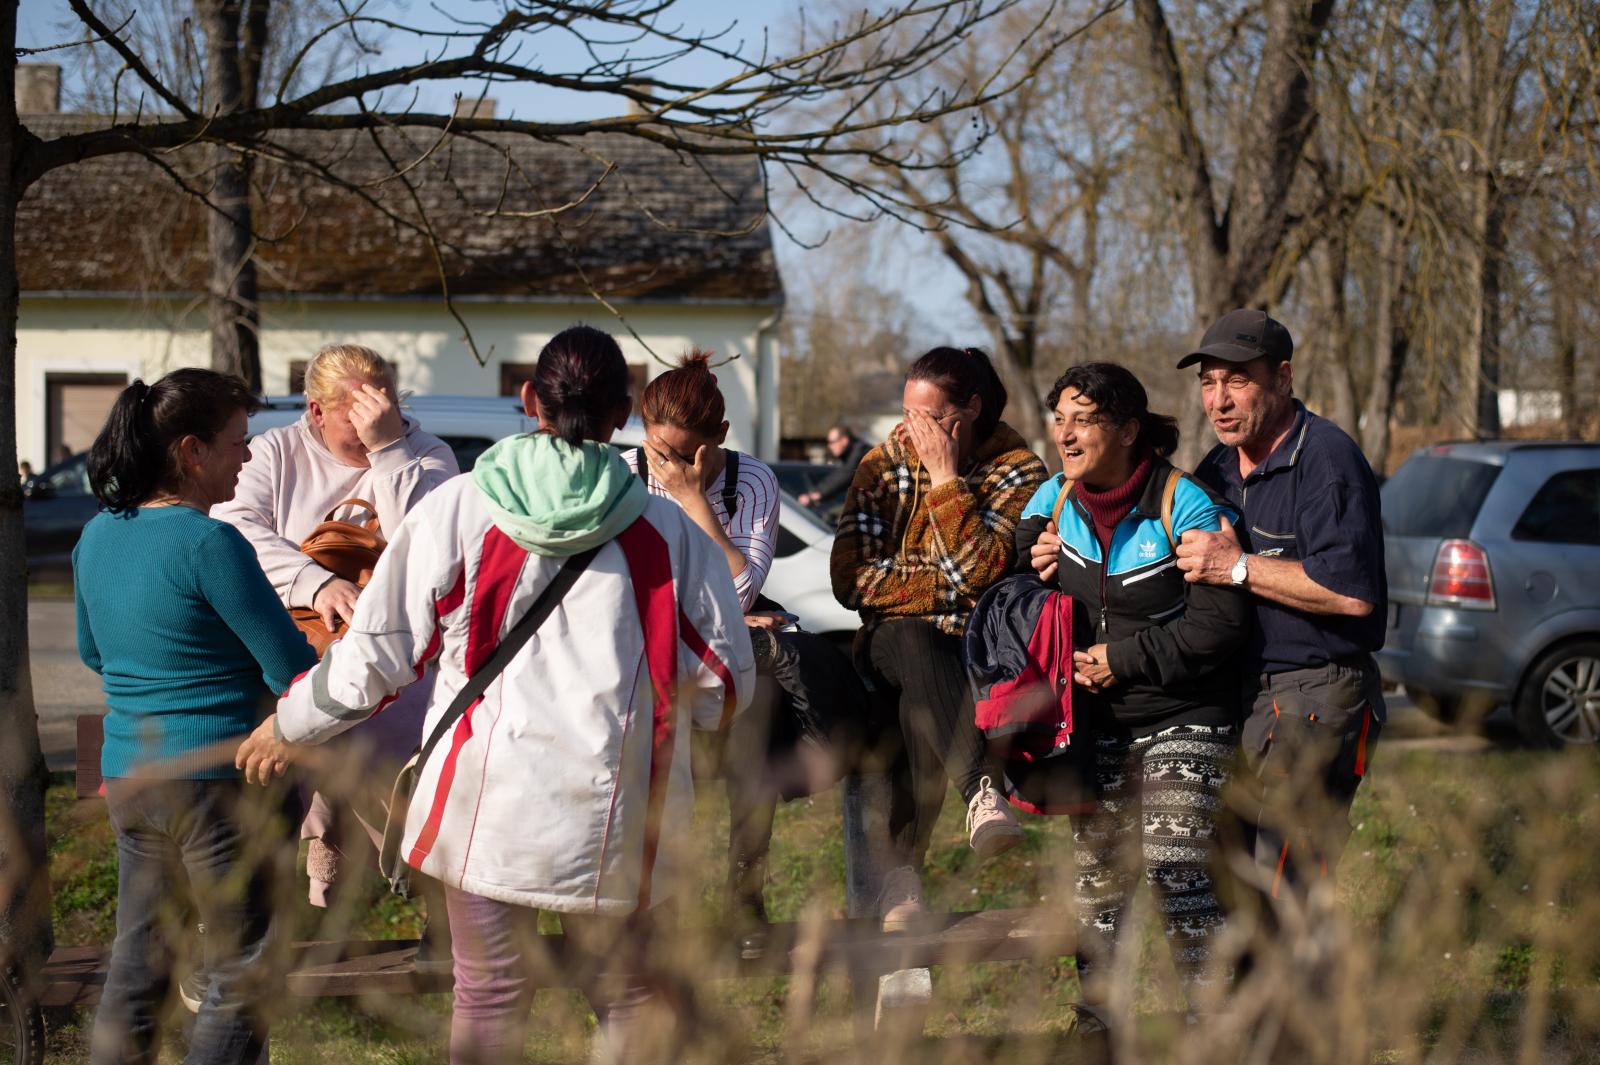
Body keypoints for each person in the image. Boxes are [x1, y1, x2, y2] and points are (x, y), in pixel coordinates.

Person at [237, 324, 755, 1065]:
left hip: (483, 807)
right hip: (620, 817)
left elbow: (373, 658)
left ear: (528, 400)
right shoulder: (670, 532)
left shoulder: (456, 509)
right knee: (628, 992)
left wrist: (289, 721)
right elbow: (725, 688)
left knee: (489, 993)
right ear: (622, 417)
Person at [74, 368, 317, 1064]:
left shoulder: (96, 537)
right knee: (241, 971)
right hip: (222, 781)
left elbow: (95, 653)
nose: (247, 455)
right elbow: (290, 668)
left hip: (131, 775)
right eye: (238, 441)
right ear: (191, 451)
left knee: (138, 962)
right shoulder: (210, 543)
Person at [1014, 363, 1250, 1011]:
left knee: (1175, 864)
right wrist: (1032, 558)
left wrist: (1123, 658)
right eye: (1058, 418)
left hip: (1184, 713)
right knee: (1097, 887)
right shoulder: (1054, 497)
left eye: (1082, 419)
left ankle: (1213, 1027)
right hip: (1097, 724)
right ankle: (1098, 1028)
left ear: (1126, 430)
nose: (1064, 433)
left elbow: (1221, 624)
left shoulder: (1186, 502)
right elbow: (1013, 563)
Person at [624, 350, 868, 958]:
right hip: (641, 650)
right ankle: (652, 902)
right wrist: (709, 603)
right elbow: (624, 586)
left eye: (685, 454)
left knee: (755, 728)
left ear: (720, 439)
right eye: (660, 450)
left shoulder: (750, 480)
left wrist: (691, 501)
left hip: (722, 655)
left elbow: (740, 587)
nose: (669, 465)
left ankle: (744, 892)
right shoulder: (622, 473)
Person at [212, 343, 458, 913]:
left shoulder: (425, 452)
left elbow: (431, 547)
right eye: (355, 409)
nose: (371, 416)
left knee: (389, 757)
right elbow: (233, 527)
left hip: (399, 676)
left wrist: (389, 451)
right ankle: (313, 865)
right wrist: (314, 583)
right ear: (316, 412)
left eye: (383, 401)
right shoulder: (276, 452)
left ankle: (418, 890)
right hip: (297, 655)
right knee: (299, 736)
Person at [831, 345, 1047, 931]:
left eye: (930, 417)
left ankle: (903, 887)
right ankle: (981, 791)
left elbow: (985, 573)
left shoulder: (1019, 471)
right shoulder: (882, 463)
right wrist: (951, 585)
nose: (914, 430)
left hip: (972, 651)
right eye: (908, 414)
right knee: (911, 638)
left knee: (919, 691)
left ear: (971, 410)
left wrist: (947, 481)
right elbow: (849, 579)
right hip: (889, 643)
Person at [1173, 309, 1386, 901]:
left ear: (1284, 379)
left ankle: (1308, 995)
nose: (1219, 400)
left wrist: (1237, 567)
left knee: (1287, 887)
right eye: (1209, 382)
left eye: (1238, 381)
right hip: (1241, 694)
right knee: (1231, 886)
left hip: (1317, 693)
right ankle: (1253, 995)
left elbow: (1351, 595)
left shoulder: (1327, 462)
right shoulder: (1216, 466)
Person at [797, 424, 869, 512]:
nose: (829, 446)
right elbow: (837, 476)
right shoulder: (852, 453)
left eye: (832, 442)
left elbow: (844, 475)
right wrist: (817, 491)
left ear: (844, 441)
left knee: (833, 515)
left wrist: (817, 494)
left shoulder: (860, 453)